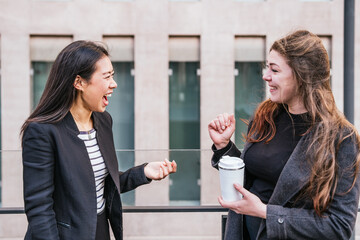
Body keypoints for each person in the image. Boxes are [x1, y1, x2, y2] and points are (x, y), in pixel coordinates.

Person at [208, 30, 360, 240]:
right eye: (266, 67)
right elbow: (249, 179)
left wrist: (265, 213)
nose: (265, 76)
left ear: (301, 76)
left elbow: (339, 226)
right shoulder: (265, 116)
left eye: (275, 70)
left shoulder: (341, 138)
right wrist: (224, 146)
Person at [21, 40, 177, 240]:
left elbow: (98, 182)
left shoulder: (103, 120)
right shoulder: (41, 132)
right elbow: (39, 208)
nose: (114, 83)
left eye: (113, 75)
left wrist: (143, 172)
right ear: (79, 83)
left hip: (100, 230)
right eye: (107, 77)